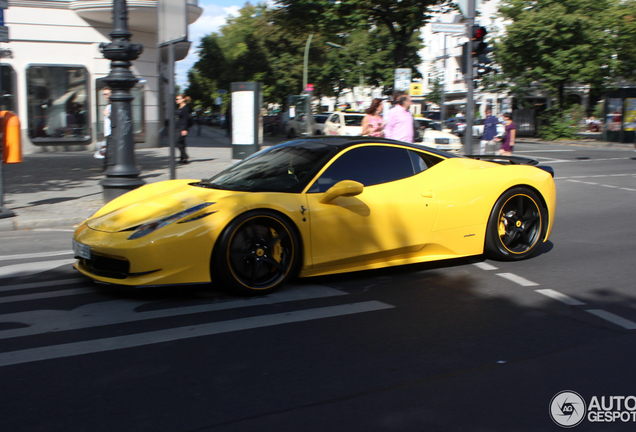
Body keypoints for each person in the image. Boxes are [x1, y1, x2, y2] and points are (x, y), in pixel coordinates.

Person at [94, 88, 111, 160]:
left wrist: (107, 113)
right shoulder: (108, 105)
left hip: (111, 132)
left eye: (107, 94)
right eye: (104, 94)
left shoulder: (114, 105)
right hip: (108, 132)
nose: (105, 96)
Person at [175, 94, 192, 164]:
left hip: (183, 128)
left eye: (178, 99)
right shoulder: (180, 107)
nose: (176, 100)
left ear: (183, 99)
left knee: (177, 142)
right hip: (179, 127)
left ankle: (185, 155)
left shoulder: (185, 108)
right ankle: (183, 158)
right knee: (182, 143)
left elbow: (185, 119)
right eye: (176, 99)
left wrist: (184, 129)